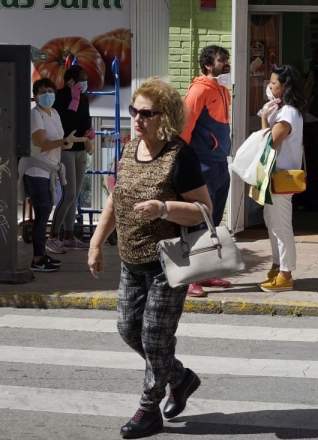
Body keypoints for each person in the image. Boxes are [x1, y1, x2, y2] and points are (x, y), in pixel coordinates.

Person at [88, 77, 212, 439]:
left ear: (166, 117)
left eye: (146, 113)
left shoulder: (179, 155)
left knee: (155, 337)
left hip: (167, 264)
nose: (137, 119)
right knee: (129, 330)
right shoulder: (129, 150)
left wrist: (164, 208)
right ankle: (180, 377)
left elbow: (205, 209)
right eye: (134, 111)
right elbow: (116, 200)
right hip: (130, 261)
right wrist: (96, 243)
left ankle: (148, 409)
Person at [180, 45, 233, 298]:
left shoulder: (224, 90)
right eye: (222, 60)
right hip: (202, 164)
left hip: (220, 164)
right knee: (199, 220)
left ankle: (207, 272)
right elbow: (183, 130)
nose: (226, 64)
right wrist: (183, 164)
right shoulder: (198, 91)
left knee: (214, 220)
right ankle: (192, 278)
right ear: (208, 65)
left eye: (227, 59)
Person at [19, 78, 82, 272]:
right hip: (36, 170)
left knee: (45, 214)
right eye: (42, 92)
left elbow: (57, 142)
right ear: (35, 97)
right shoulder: (35, 115)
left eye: (50, 90)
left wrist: (69, 142)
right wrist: (63, 142)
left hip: (49, 171)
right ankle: (37, 260)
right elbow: (40, 144)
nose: (47, 94)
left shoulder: (54, 113)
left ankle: (42, 255)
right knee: (42, 214)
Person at [258, 64, 305, 293]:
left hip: (281, 177)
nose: (269, 86)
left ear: (285, 86)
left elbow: (270, 142)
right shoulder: (286, 110)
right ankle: (278, 266)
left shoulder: (287, 113)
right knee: (273, 223)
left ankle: (285, 273)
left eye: (273, 83)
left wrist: (265, 118)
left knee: (281, 226)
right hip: (275, 176)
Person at [48, 66, 96, 253]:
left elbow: (85, 121)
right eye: (82, 79)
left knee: (74, 195)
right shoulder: (59, 97)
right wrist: (73, 101)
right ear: (71, 81)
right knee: (67, 194)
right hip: (66, 150)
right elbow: (64, 125)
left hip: (80, 150)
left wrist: (89, 132)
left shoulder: (84, 99)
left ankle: (69, 236)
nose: (85, 83)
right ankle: (53, 236)